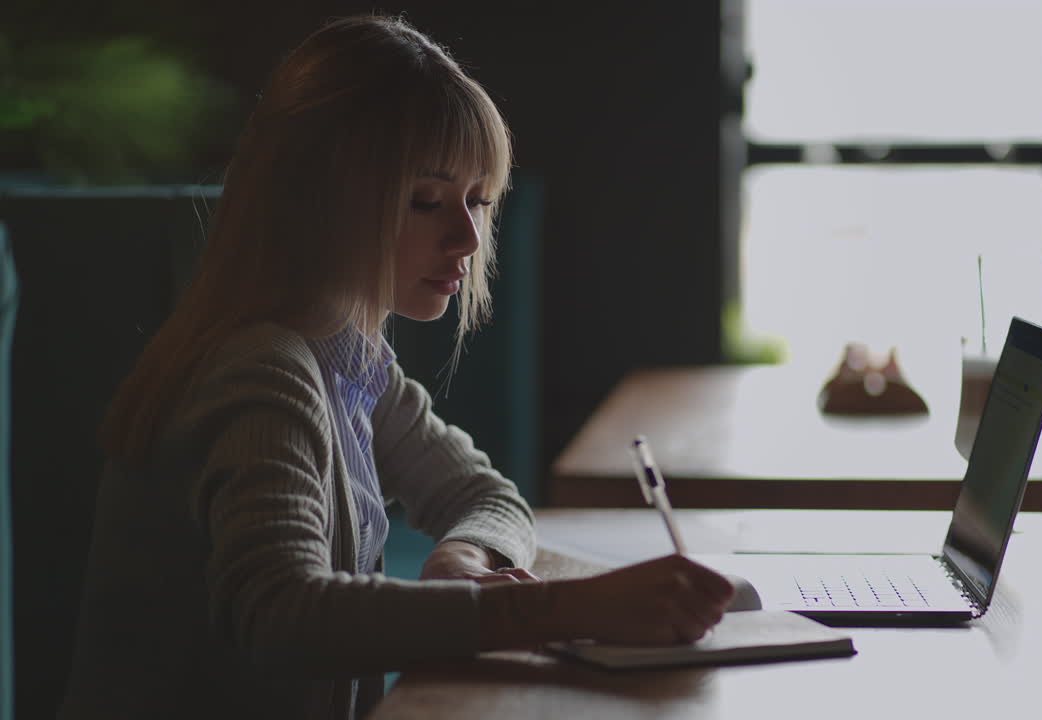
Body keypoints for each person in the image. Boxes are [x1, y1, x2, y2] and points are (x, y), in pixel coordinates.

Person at [59, 14, 733, 720]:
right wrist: (553, 610)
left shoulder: (349, 360)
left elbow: (489, 497)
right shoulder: (260, 372)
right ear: (318, 199)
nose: (468, 237)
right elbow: (284, 616)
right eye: (426, 201)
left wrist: (465, 560)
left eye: (476, 200)